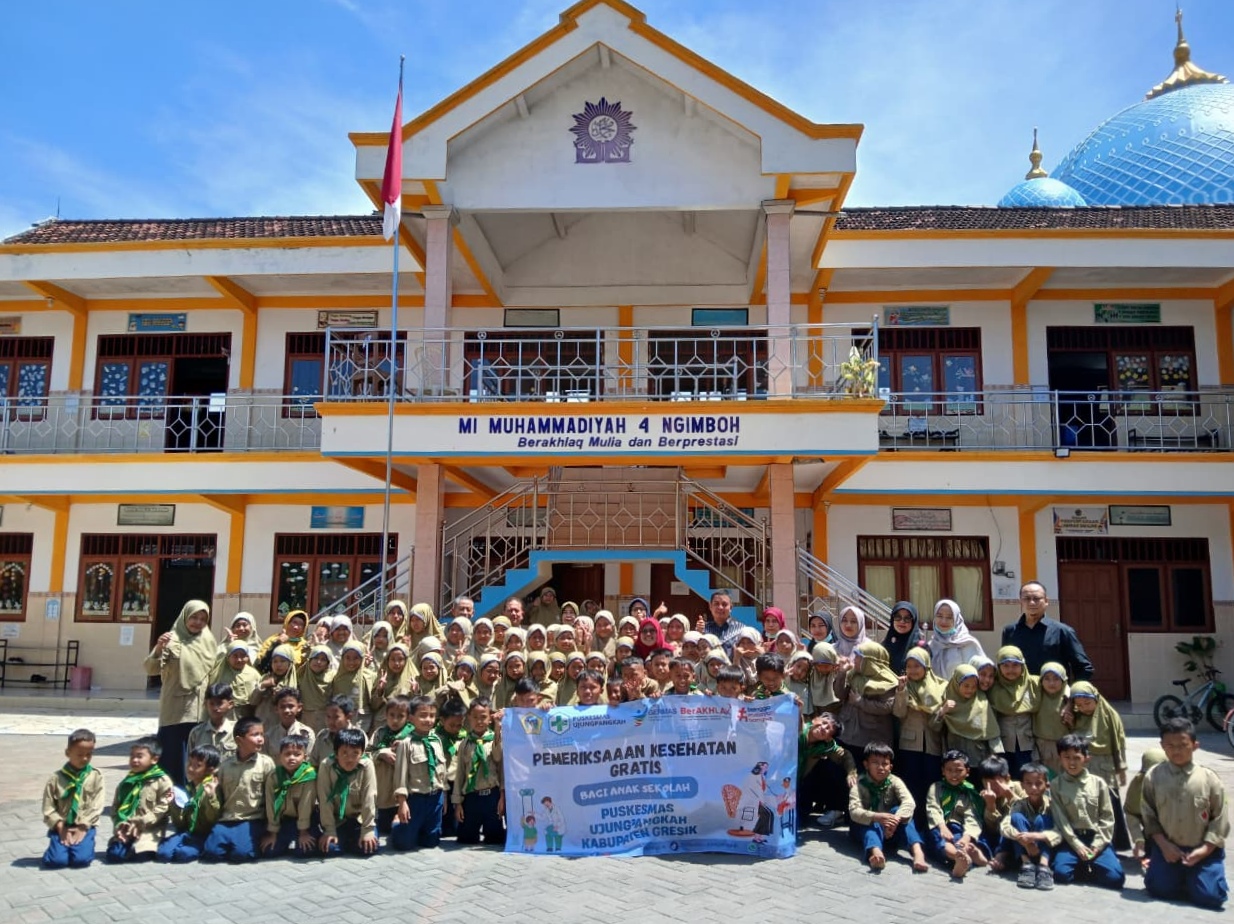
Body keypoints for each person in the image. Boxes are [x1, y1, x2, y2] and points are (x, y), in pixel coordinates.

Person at [1141, 717, 1228, 909]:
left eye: (1183, 745)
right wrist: (1164, 845)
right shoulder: (1154, 776)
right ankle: (1177, 877)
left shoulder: (1208, 778)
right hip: (1168, 849)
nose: (1176, 750)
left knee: (1212, 898)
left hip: (1202, 850)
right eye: (1170, 745)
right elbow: (1148, 815)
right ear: (1162, 746)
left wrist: (1205, 850)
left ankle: (1195, 878)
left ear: (1195, 745)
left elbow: (1220, 818)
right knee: (1159, 890)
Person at [144, 599, 216, 785]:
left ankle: (192, 800)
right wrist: (159, 649)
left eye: (202, 618)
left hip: (199, 710)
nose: (197, 622)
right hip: (175, 710)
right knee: (173, 757)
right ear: (185, 617)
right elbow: (151, 669)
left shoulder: (209, 642)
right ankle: (168, 800)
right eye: (193, 617)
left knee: (196, 757)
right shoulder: (171, 640)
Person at [1050, 733, 1125, 890]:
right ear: (1060, 757)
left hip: (1096, 839)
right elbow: (1061, 820)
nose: (1071, 762)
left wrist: (1097, 847)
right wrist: (1077, 846)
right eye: (1066, 757)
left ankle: (1093, 865)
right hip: (1071, 840)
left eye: (1076, 757)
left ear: (1086, 758)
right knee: (1061, 874)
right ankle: (1081, 866)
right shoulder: (1056, 785)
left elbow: (1107, 818)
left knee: (1116, 879)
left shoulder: (1098, 783)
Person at [202, 716, 275, 862]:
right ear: (239, 740)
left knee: (242, 855)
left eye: (262, 734)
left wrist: (271, 830)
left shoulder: (266, 764)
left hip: (252, 819)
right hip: (227, 819)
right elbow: (220, 797)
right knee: (212, 853)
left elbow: (272, 800)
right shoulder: (225, 766)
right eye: (255, 735)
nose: (260, 739)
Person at [847, 741, 929, 872]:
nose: (881, 767)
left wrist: (894, 820)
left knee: (902, 812)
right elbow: (854, 811)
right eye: (875, 763)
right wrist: (877, 817)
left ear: (890, 766)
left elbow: (909, 802)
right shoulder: (859, 783)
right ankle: (876, 853)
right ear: (866, 765)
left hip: (890, 830)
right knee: (869, 821)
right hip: (866, 829)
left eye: (885, 764)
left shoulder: (895, 781)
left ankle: (918, 853)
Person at [893, 647, 945, 826]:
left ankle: (929, 823)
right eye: (909, 666)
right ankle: (911, 824)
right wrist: (900, 691)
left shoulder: (940, 685)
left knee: (931, 785)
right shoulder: (904, 686)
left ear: (927, 666)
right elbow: (898, 713)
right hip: (909, 745)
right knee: (911, 784)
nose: (913, 670)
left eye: (917, 666)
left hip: (932, 743)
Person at [1001, 581, 1093, 680]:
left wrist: (1074, 692)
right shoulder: (1010, 631)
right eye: (1027, 599)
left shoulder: (1062, 632)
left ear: (1046, 601)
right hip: (1021, 693)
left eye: (1036, 598)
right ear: (1020, 602)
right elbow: (1005, 664)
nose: (1032, 602)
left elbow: (1084, 668)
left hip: (1053, 692)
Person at [41, 728, 105, 869]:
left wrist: (83, 826)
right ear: (68, 753)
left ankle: (86, 845)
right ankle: (54, 848)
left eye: (89, 754)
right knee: (57, 862)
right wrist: (59, 827)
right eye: (80, 754)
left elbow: (97, 805)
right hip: (62, 825)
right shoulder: (56, 778)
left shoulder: (96, 776)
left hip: (84, 825)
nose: (84, 758)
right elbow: (48, 808)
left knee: (81, 861)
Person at [391, 695, 447, 850]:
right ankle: (396, 825)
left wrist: (444, 796)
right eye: (422, 716)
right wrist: (402, 803)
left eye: (431, 716)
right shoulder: (406, 744)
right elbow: (400, 776)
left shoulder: (436, 740)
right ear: (411, 718)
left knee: (431, 842)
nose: (428, 720)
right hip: (415, 800)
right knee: (404, 845)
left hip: (435, 798)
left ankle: (420, 830)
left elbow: (442, 772)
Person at [106, 736, 172, 863]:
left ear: (154, 759)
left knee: (140, 856)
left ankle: (158, 844)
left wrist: (141, 821)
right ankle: (122, 844)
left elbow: (163, 807)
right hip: (126, 828)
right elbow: (116, 808)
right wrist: (120, 824)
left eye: (140, 756)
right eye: (132, 756)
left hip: (150, 829)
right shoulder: (126, 782)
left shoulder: (162, 781)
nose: (134, 760)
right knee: (114, 856)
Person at [925, 749, 988, 879]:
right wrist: (942, 827)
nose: (954, 774)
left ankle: (962, 857)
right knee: (935, 837)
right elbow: (933, 808)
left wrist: (967, 837)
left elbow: (973, 817)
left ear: (967, 771)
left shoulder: (970, 792)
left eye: (959, 770)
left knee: (961, 842)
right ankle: (960, 858)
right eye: (949, 770)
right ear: (943, 771)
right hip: (940, 826)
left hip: (959, 829)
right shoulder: (936, 787)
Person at [316, 727, 380, 857]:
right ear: (336, 752)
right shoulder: (326, 765)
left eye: (355, 753)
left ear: (362, 753)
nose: (349, 759)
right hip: (338, 821)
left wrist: (367, 830)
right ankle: (347, 841)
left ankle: (350, 841)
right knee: (330, 848)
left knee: (369, 848)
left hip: (359, 820)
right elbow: (324, 800)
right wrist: (329, 830)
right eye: (344, 753)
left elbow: (369, 798)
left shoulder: (366, 765)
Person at [452, 697, 504, 846]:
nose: (479, 721)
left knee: (495, 839)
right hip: (471, 796)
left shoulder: (495, 740)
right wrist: (458, 803)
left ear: (490, 718)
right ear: (468, 718)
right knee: (466, 839)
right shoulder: (465, 743)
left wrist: (502, 796)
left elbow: (499, 761)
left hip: (492, 796)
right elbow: (460, 774)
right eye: (475, 717)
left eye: (483, 717)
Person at [156, 744, 221, 863]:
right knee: (163, 854)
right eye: (189, 763)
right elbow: (180, 824)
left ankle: (202, 848)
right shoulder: (188, 788)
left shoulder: (211, 788)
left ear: (210, 770)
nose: (190, 768)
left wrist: (211, 797)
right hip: (186, 832)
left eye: (197, 765)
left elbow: (212, 819)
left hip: (204, 835)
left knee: (183, 854)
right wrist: (173, 805)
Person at [1000, 761, 1058, 890]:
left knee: (1042, 820)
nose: (1034, 788)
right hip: (1024, 849)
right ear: (1022, 785)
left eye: (1038, 784)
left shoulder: (1051, 805)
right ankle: (1027, 865)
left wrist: (1036, 836)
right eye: (1029, 784)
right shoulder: (1019, 804)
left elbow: (1059, 831)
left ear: (1047, 785)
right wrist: (1026, 841)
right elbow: (1004, 827)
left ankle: (1044, 867)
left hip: (1044, 849)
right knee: (1016, 818)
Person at [934, 664, 1004, 767]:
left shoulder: (981, 701)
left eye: (974, 686)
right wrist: (942, 712)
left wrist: (996, 755)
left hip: (977, 758)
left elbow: (991, 731)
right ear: (956, 684)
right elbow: (935, 728)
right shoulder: (946, 700)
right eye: (966, 686)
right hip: (954, 760)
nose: (970, 690)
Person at [260, 733, 317, 857]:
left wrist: (303, 833)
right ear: (280, 756)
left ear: (305, 757)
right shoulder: (274, 776)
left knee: (304, 851)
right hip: (284, 821)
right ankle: (284, 840)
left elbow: (305, 806)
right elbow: (271, 806)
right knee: (269, 851)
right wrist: (272, 833)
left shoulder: (309, 776)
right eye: (287, 754)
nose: (291, 758)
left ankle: (301, 838)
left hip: (306, 821)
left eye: (297, 754)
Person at [834, 641, 897, 754]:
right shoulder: (853, 675)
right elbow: (840, 694)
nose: (854, 660)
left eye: (858, 657)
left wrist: (860, 702)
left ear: (869, 661)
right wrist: (842, 674)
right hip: (847, 733)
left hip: (870, 739)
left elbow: (887, 707)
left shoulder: (886, 682)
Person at [798, 714, 856, 828]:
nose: (823, 728)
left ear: (829, 738)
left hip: (797, 783)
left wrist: (851, 773)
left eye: (828, 728)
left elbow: (845, 756)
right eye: (824, 723)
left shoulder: (826, 746)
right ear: (815, 719)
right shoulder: (797, 727)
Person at [989, 646, 1038, 777]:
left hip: (1029, 744)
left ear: (1023, 665)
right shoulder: (992, 687)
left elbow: (1061, 687)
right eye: (1006, 665)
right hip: (1002, 746)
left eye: (1015, 665)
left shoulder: (1033, 683)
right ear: (999, 667)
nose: (1011, 670)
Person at [1124, 746, 1167, 861]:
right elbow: (1131, 814)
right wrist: (1138, 839)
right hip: (1150, 830)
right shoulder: (1138, 784)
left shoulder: (1177, 782)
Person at [926, 599, 984, 683]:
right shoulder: (931, 646)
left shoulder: (968, 644)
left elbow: (980, 674)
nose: (943, 621)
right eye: (939, 616)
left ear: (957, 619)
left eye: (949, 617)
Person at [263, 687, 316, 760]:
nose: (287, 710)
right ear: (276, 709)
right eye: (282, 707)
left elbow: (309, 760)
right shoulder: (269, 736)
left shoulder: (307, 733)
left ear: (299, 707)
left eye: (291, 706)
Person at [187, 683, 236, 759]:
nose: (215, 708)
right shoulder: (196, 733)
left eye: (220, 703)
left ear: (230, 704)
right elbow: (190, 762)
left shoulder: (237, 731)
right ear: (205, 704)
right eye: (211, 704)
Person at [695, 590, 743, 658]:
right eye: (716, 604)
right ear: (710, 606)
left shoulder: (740, 629)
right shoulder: (704, 629)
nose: (720, 607)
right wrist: (699, 633)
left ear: (731, 607)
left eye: (724, 604)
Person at [882, 601, 925, 675]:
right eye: (898, 617)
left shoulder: (920, 647)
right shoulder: (885, 644)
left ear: (913, 622)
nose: (902, 621)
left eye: (907, 618)